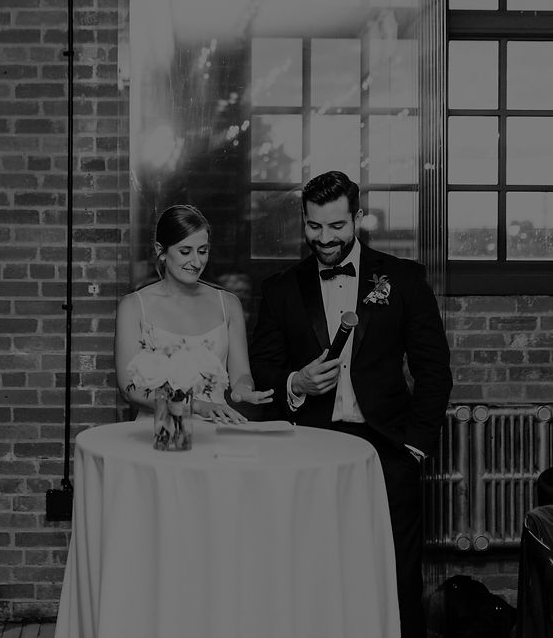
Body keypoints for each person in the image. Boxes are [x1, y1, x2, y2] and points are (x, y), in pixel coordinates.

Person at [249, 170, 453, 638]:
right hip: (309, 448)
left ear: (358, 218)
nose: (324, 239)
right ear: (304, 220)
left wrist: (416, 447)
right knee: (311, 567)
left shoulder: (403, 279)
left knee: (396, 572)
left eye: (337, 226)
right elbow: (263, 368)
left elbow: (433, 369)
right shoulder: (280, 288)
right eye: (314, 227)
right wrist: (295, 382)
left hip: (388, 449)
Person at [115, 204, 273, 424]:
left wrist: (243, 389)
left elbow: (241, 373)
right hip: (158, 433)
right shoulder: (133, 307)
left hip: (216, 431)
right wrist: (195, 406)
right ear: (161, 250)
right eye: (185, 251)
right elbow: (129, 389)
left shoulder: (228, 304)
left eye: (203, 251)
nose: (197, 262)